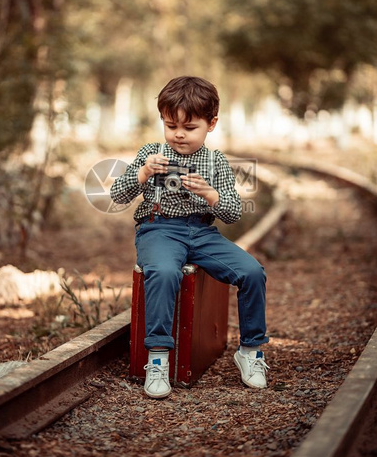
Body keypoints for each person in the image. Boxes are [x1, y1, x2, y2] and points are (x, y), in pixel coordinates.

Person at [110, 76, 269, 399]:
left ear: (211, 124)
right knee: (164, 273)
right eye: (171, 126)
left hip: (202, 231)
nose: (178, 134)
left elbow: (233, 213)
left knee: (252, 272)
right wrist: (143, 174)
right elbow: (117, 195)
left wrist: (209, 194)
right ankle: (158, 359)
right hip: (159, 229)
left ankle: (251, 351)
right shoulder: (150, 153)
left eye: (189, 127)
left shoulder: (217, 161)